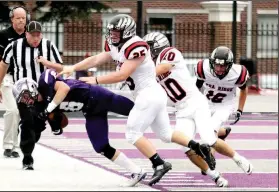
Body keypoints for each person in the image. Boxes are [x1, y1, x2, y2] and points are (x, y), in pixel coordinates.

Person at [58, 14, 216, 186]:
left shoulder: (137, 46)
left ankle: (159, 163)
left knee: (132, 133)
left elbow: (122, 74)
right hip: (154, 95)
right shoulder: (115, 44)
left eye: (117, 32)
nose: (113, 36)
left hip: (147, 94)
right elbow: (97, 58)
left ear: (128, 31)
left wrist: (96, 80)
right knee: (165, 134)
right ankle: (198, 146)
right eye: (112, 32)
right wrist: (73, 67)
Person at [142, 32, 253, 185]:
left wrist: (140, 75)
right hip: (181, 108)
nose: (145, 52)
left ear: (158, 46)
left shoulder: (170, 54)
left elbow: (163, 68)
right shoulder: (151, 67)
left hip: (197, 102)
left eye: (148, 48)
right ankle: (215, 176)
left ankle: (238, 158)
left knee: (208, 139)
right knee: (183, 146)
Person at [32, 69, 146, 186]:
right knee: (101, 147)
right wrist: (55, 123)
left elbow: (64, 88)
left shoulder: (44, 84)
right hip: (90, 110)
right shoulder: (41, 107)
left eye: (26, 95)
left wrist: (49, 109)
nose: (28, 101)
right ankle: (137, 171)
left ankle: (157, 161)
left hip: (97, 95)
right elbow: (62, 122)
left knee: (142, 112)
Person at [0, 21, 63, 169]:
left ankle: (29, 141)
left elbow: (61, 68)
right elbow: (3, 66)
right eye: (33, 35)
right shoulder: (13, 46)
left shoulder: (49, 46)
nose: (36, 38)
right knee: (27, 122)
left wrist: (46, 62)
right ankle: (27, 158)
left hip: (43, 92)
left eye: (38, 35)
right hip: (23, 91)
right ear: (26, 34)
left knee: (37, 125)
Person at [194, 46, 252, 171]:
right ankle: (223, 132)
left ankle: (210, 161)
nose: (219, 69)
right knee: (200, 128)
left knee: (209, 134)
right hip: (206, 103)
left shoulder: (238, 73)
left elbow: (244, 89)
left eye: (223, 66)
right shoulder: (203, 69)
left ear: (229, 65)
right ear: (211, 63)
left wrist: (240, 110)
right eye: (217, 65)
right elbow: (196, 87)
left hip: (225, 105)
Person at [0, 6, 30, 158]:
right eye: (18, 18)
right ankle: (8, 146)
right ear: (12, 19)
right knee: (12, 110)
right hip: (8, 77)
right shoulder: (4, 35)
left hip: (25, 78)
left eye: (23, 18)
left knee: (21, 113)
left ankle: (15, 146)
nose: (21, 20)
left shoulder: (29, 34)